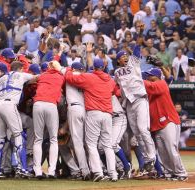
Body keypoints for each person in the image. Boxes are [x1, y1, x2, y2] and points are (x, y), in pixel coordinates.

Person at [65, 59, 119, 182]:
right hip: (108, 114)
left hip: (94, 112)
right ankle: (113, 173)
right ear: (104, 67)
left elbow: (70, 78)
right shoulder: (110, 81)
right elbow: (116, 91)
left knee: (91, 144)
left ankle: (98, 171)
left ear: (94, 67)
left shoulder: (89, 77)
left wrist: (68, 69)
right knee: (108, 145)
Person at [0, 61, 36, 178]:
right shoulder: (21, 74)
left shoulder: (2, 77)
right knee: (18, 135)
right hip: (10, 105)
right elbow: (36, 78)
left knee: (0, 138)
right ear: (20, 68)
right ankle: (20, 167)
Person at [114, 45, 156, 175]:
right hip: (129, 104)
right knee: (137, 134)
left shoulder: (134, 63)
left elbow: (137, 49)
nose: (125, 57)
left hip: (140, 99)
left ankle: (152, 156)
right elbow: (116, 85)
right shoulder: (116, 73)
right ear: (118, 61)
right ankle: (147, 160)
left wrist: (139, 34)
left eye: (126, 55)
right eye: (122, 56)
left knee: (143, 129)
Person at [143, 68, 188, 181]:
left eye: (150, 75)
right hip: (157, 124)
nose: (148, 77)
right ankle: (169, 173)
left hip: (169, 122)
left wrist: (136, 78)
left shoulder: (161, 83)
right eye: (147, 75)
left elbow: (152, 85)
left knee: (171, 149)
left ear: (157, 76)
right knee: (162, 152)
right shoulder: (151, 88)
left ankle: (181, 173)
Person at [32, 61, 64, 179]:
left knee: (38, 139)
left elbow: (31, 81)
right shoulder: (61, 75)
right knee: (53, 139)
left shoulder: (43, 75)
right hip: (51, 105)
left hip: (38, 104)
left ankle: (38, 171)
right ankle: (51, 171)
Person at [61, 62, 90, 180]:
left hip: (74, 108)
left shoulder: (70, 74)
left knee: (77, 143)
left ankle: (84, 171)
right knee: (87, 142)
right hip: (86, 110)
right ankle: (97, 168)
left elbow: (61, 68)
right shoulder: (85, 77)